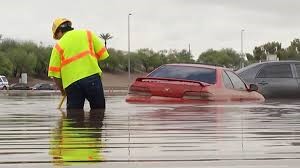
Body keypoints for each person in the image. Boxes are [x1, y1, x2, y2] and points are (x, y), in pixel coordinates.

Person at [48, 18, 109, 109]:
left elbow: (55, 75)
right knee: (99, 111)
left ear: (59, 31)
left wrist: (62, 91)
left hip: (71, 84)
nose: (58, 39)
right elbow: (103, 55)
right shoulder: (88, 34)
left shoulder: (58, 46)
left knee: (74, 116)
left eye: (57, 37)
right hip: (92, 79)